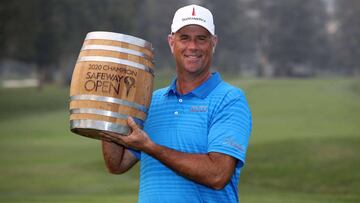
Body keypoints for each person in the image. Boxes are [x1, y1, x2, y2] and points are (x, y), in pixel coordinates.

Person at [101, 4, 252, 203]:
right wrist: (110, 108)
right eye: (184, 38)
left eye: (201, 38)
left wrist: (151, 147)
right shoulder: (151, 101)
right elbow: (117, 164)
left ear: (213, 43)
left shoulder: (230, 99)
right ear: (172, 42)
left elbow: (218, 174)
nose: (193, 47)